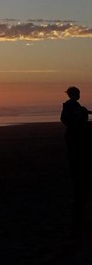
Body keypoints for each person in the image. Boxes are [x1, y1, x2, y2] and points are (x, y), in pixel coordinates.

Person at [60, 87, 92, 226]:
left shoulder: (73, 107)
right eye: (76, 93)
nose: (78, 95)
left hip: (75, 144)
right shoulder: (71, 107)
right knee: (80, 180)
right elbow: (71, 120)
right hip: (77, 144)